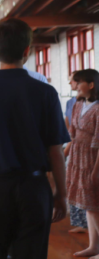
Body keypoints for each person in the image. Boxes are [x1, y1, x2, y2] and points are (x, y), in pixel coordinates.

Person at [0, 19, 70, 259]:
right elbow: (56, 152)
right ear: (27, 51)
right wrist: (61, 195)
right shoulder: (45, 92)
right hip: (34, 188)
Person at [67, 69, 99, 257]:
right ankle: (94, 246)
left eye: (79, 82)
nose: (76, 85)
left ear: (91, 85)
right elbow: (73, 132)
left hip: (92, 157)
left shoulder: (97, 108)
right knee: (88, 204)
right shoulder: (78, 105)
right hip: (78, 155)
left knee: (94, 204)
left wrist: (96, 170)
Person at [64, 72, 88, 234]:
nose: (73, 84)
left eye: (75, 81)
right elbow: (68, 128)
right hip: (74, 147)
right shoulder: (72, 103)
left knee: (87, 189)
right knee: (75, 186)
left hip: (86, 150)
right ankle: (82, 223)